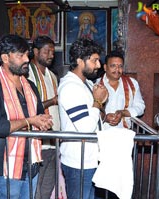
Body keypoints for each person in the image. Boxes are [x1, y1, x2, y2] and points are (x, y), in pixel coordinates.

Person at [0, 34, 53, 199]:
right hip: (7, 169)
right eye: (20, 55)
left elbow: (39, 115)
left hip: (31, 165)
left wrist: (44, 122)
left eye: (27, 54)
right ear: (5, 58)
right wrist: (28, 122)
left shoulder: (29, 86)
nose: (26, 59)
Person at [58, 38, 108, 199]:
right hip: (78, 162)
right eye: (94, 61)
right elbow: (85, 128)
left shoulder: (84, 83)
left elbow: (94, 117)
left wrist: (100, 103)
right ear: (80, 61)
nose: (99, 65)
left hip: (89, 159)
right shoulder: (70, 87)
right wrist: (98, 101)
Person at [28, 36, 60, 199]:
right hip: (38, 141)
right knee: (36, 187)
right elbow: (29, 106)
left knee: (48, 186)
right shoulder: (27, 75)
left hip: (53, 140)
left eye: (53, 52)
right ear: (35, 51)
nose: (50, 55)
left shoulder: (52, 76)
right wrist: (54, 100)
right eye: (46, 51)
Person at [97, 50, 145, 129]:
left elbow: (140, 107)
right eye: (113, 66)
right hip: (102, 134)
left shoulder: (132, 84)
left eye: (120, 66)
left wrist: (123, 113)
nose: (117, 69)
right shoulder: (96, 85)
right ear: (105, 67)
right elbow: (91, 111)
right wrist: (104, 117)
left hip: (124, 134)